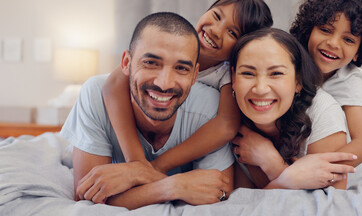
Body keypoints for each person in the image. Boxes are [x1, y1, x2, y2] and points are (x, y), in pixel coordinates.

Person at [61, 12, 234, 209]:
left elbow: (219, 193)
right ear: (126, 63)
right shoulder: (96, 94)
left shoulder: (211, 108)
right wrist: (174, 186)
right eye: (151, 63)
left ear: (195, 75)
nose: (164, 83)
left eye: (181, 68)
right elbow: (87, 197)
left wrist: (138, 173)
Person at [102, 0, 273, 174]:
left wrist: (155, 167)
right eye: (216, 16)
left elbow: (225, 126)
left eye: (232, 32)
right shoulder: (175, 41)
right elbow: (112, 84)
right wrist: (135, 159)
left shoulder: (226, 75)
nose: (215, 30)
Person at [230, 27, 356, 190]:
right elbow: (239, 204)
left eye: (276, 73)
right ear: (233, 78)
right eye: (247, 73)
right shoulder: (222, 118)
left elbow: (331, 205)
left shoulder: (323, 112)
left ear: (298, 81)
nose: (260, 89)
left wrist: (273, 165)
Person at [289, 0, 362, 167]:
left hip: (315, 146)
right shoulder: (288, 59)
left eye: (348, 40)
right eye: (325, 30)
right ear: (308, 31)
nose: (333, 43)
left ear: (358, 52)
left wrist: (318, 168)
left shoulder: (347, 77)